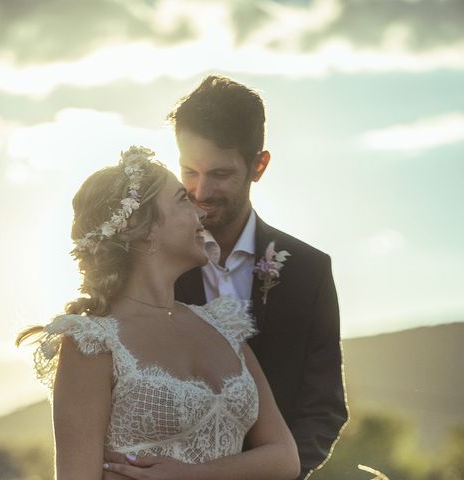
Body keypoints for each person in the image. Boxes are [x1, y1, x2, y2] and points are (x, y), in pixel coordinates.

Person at [17, 146, 300, 480]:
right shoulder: (93, 344)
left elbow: (285, 458)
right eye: (183, 199)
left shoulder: (225, 328)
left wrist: (191, 475)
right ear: (143, 227)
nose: (201, 212)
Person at [170, 76, 349, 479]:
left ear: (259, 165)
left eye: (219, 174)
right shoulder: (155, 264)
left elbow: (324, 408)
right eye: (188, 171)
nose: (200, 191)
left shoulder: (309, 271)